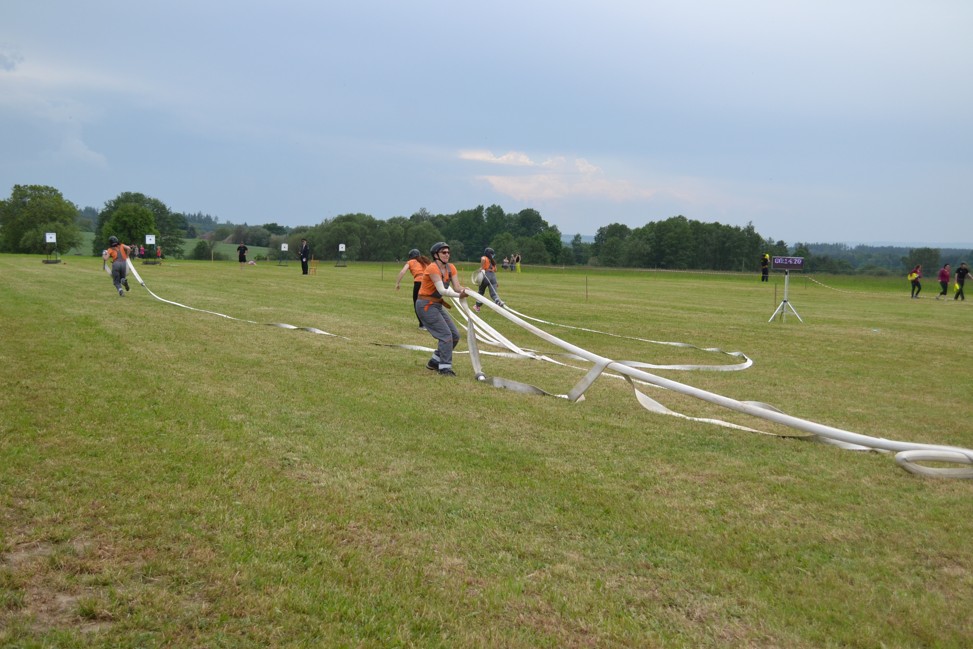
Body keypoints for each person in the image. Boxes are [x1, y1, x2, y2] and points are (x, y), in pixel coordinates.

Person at [415, 241, 470, 376]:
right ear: (436, 255)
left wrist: (466, 290)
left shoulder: (451, 268)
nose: (447, 254)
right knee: (446, 336)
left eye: (448, 252)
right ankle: (445, 368)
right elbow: (442, 290)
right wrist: (459, 294)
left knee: (455, 336)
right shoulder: (432, 268)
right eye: (443, 252)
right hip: (426, 305)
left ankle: (434, 361)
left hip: (437, 305)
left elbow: (457, 287)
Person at [395, 248, 430, 329]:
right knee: (428, 303)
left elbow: (402, 271)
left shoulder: (410, 262)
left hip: (419, 283)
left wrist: (397, 283)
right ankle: (431, 323)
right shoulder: (425, 261)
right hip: (428, 283)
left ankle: (422, 325)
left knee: (417, 304)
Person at [474, 247, 505, 312]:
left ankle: (477, 306)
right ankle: (498, 301)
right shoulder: (493, 261)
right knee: (493, 293)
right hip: (493, 277)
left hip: (485, 276)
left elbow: (482, 259)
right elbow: (495, 270)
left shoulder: (485, 258)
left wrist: (482, 267)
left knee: (481, 292)